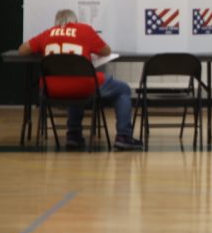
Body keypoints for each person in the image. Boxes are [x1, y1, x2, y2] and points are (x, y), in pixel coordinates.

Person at [19, 9, 142, 150]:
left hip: (51, 88)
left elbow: (22, 49)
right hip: (82, 85)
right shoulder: (84, 30)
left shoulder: (47, 33)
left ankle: (74, 135)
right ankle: (124, 136)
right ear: (75, 20)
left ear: (57, 22)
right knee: (123, 89)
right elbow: (106, 51)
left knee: (73, 85)